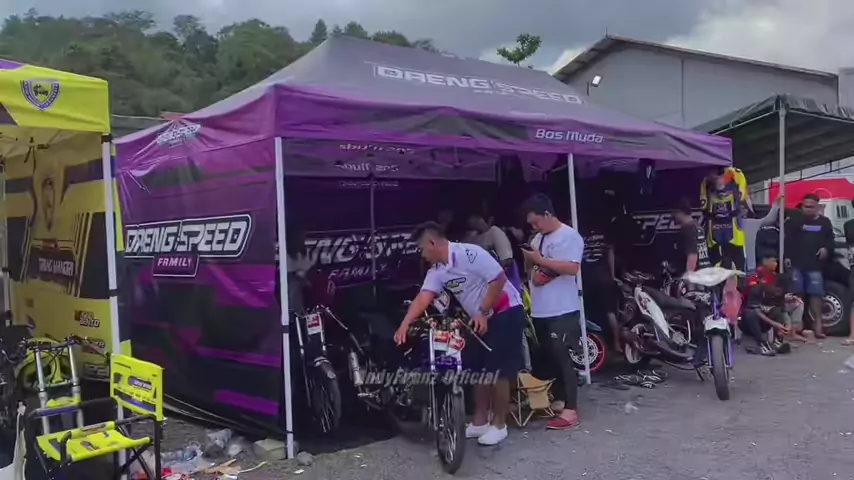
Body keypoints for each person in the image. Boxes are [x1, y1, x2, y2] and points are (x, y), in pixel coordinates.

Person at [394, 222, 525, 446]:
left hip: (505, 311)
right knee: (475, 367)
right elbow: (424, 297)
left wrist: (484, 312)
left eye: (422, 249)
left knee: (498, 371)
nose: (422, 255)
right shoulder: (437, 271)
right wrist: (405, 324)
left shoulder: (470, 254)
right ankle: (480, 421)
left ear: (432, 243)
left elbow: (499, 279)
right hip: (479, 319)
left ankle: (499, 424)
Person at [519, 194, 583, 431]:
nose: (534, 227)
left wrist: (540, 260)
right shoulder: (537, 238)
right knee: (548, 356)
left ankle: (571, 409)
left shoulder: (569, 236)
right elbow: (533, 269)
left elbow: (572, 267)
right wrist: (530, 261)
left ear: (547, 214)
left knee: (563, 356)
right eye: (531, 224)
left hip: (563, 308)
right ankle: (559, 399)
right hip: (540, 308)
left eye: (536, 222)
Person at [785, 193, 834, 339]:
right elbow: (787, 240)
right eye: (805, 206)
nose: (808, 209)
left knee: (816, 295)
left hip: (814, 265)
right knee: (796, 294)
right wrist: (787, 256)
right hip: (796, 263)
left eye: (811, 207)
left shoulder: (825, 222)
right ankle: (797, 326)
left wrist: (826, 249)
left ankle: (818, 326)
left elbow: (830, 240)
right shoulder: (794, 221)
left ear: (818, 207)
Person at [581, 215, 622, 353]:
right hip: (603, 275)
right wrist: (613, 275)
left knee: (587, 312)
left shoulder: (580, 235)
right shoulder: (605, 234)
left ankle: (593, 344)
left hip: (587, 277)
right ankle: (616, 344)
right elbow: (610, 254)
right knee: (610, 312)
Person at [700, 167, 749, 270]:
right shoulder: (706, 179)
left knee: (737, 267)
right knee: (716, 267)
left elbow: (742, 197)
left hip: (734, 231)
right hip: (714, 231)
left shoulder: (737, 174)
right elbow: (703, 205)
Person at [464, 212, 522, 292]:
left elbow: (507, 260)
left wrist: (494, 278)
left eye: (477, 221)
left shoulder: (494, 232)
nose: (474, 225)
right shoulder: (472, 238)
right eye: (471, 224)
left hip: (501, 281)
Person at [740, 282, 789, 356]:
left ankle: (777, 341)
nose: (778, 293)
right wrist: (774, 323)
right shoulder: (756, 291)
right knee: (750, 313)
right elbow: (756, 312)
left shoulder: (778, 295)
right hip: (748, 323)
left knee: (777, 311)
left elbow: (784, 312)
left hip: (763, 323)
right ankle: (762, 343)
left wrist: (788, 326)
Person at [742, 196, 783, 271]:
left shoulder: (750, 223)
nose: (743, 211)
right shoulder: (729, 224)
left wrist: (777, 204)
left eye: (744, 209)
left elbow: (769, 219)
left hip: (750, 266)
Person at [673, 199, 711, 274]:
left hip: (697, 276)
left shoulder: (688, 229)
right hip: (704, 271)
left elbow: (692, 256)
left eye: (674, 212)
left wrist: (689, 278)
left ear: (681, 212)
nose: (672, 215)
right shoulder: (698, 226)